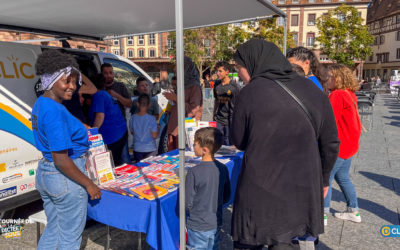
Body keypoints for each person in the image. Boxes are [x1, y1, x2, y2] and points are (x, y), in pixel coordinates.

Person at [230, 39, 340, 250]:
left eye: (239, 68)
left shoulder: (250, 92)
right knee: (286, 240)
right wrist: (324, 178)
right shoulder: (315, 91)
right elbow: (330, 142)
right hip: (302, 183)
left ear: (253, 63)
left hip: (260, 184)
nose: (241, 75)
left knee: (249, 240)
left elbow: (239, 141)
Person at [31, 50, 102, 250]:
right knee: (70, 237)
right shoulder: (54, 111)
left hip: (47, 174)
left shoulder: (43, 103)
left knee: (54, 228)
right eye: (67, 81)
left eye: (74, 81)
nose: (73, 86)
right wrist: (89, 184)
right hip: (64, 177)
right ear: (51, 80)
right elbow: (61, 159)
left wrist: (79, 128)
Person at [324, 64, 362, 224]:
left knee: (325, 180)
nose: (327, 79)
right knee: (343, 177)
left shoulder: (337, 95)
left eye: (329, 76)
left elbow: (328, 122)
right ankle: (354, 211)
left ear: (337, 78)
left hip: (338, 146)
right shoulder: (349, 93)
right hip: (350, 145)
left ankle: (322, 215)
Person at [185, 127, 231, 250]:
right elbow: (227, 196)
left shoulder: (194, 172)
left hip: (198, 225)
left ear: (204, 149)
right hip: (215, 222)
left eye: (195, 143)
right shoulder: (223, 169)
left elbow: (187, 203)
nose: (193, 145)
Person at [163, 56, 203, 151]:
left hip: (185, 131)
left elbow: (194, 110)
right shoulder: (181, 85)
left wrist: (175, 98)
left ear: (185, 67)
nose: (174, 68)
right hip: (174, 128)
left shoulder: (194, 87)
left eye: (177, 65)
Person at [89, 74, 128, 167]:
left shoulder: (99, 95)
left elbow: (100, 116)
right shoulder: (105, 94)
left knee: (113, 164)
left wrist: (91, 133)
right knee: (119, 162)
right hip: (120, 133)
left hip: (112, 137)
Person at [101, 63, 132, 163]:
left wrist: (116, 95)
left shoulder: (120, 86)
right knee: (107, 161)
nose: (108, 75)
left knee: (124, 159)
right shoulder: (98, 88)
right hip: (105, 132)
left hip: (120, 130)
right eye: (105, 73)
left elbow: (129, 103)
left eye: (110, 72)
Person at [213, 61, 240, 145]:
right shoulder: (217, 84)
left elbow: (238, 105)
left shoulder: (234, 87)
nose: (218, 73)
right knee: (218, 144)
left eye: (220, 71)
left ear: (227, 72)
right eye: (217, 71)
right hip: (219, 120)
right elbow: (216, 100)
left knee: (229, 146)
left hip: (230, 122)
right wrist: (214, 114)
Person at [129, 94, 159, 162]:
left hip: (137, 149)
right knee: (150, 170)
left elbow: (132, 132)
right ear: (149, 105)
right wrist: (158, 128)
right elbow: (154, 135)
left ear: (137, 104)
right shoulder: (152, 119)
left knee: (140, 168)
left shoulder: (133, 118)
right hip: (150, 149)